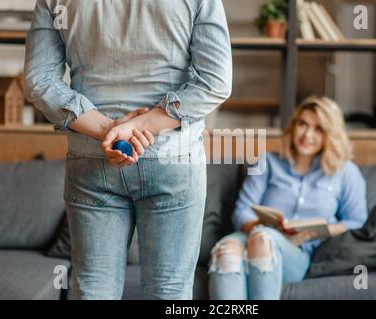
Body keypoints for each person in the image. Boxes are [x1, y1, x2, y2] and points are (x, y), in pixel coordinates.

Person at [24, 0, 232, 299]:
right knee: (169, 293)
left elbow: (39, 80)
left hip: (92, 157)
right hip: (171, 157)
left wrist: (108, 131)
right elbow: (216, 81)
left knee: (94, 289)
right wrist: (143, 125)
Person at [208, 96, 368, 300]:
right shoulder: (267, 162)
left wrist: (313, 233)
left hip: (296, 251)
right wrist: (261, 225)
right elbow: (242, 210)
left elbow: (356, 221)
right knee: (227, 252)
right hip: (254, 235)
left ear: (330, 135)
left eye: (318, 129)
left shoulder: (345, 171)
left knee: (263, 240)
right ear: (293, 126)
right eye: (303, 124)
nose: (308, 134)